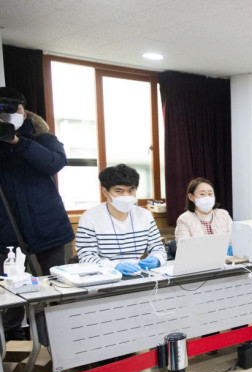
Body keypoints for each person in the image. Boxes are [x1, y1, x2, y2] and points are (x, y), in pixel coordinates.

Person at [0, 87, 74, 340]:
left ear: (23, 110)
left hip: (49, 233)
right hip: (7, 238)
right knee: (10, 299)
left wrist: (18, 143)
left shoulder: (43, 138)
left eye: (10, 109)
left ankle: (56, 348)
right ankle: (15, 353)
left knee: (55, 293)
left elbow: (54, 163)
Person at [76, 164, 167, 275]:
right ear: (105, 192)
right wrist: (114, 266)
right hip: (105, 277)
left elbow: (158, 247)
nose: (126, 196)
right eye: (119, 191)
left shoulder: (145, 216)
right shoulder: (89, 218)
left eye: (131, 190)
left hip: (139, 273)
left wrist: (157, 259)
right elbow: (86, 257)